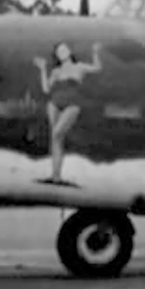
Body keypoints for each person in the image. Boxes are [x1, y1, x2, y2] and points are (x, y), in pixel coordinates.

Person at [31, 42, 105, 185]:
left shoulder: (79, 67)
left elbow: (97, 68)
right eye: (59, 51)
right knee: (56, 139)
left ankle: (56, 176)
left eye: (64, 49)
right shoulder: (57, 71)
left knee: (57, 134)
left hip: (72, 104)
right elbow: (46, 89)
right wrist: (42, 69)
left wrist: (95, 52)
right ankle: (55, 176)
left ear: (70, 51)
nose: (62, 52)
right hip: (54, 103)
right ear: (57, 56)